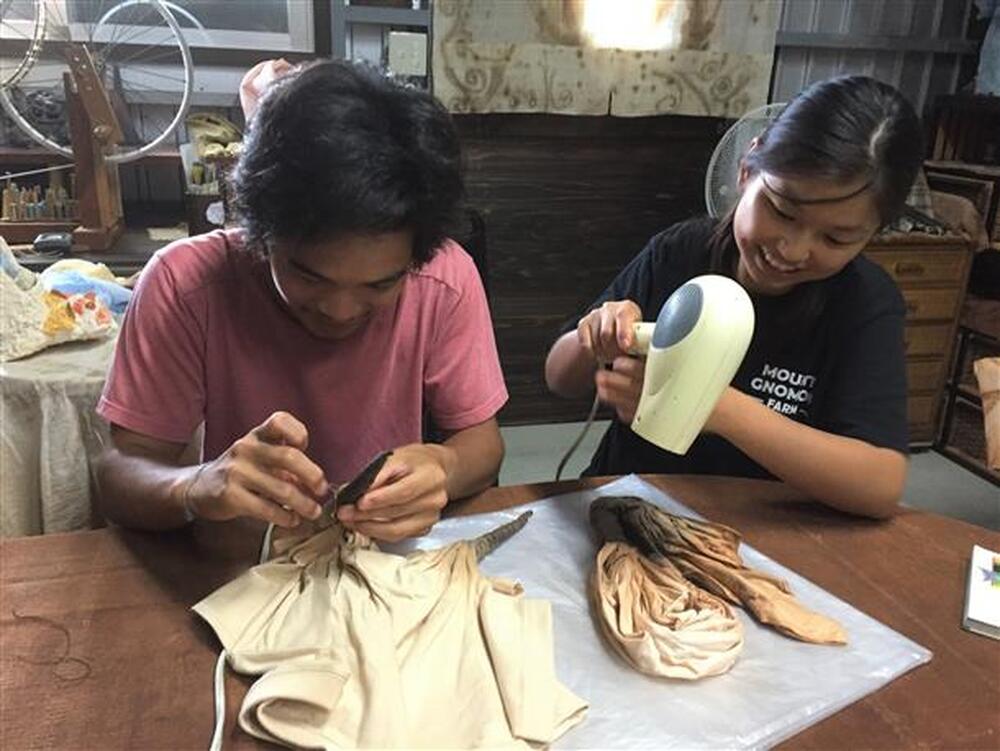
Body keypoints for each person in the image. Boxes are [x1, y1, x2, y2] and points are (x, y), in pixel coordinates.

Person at [95, 59, 507, 542]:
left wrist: (444, 465)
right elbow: (120, 472)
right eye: (309, 276)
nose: (341, 310)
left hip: (382, 553)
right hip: (238, 557)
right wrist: (196, 486)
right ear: (260, 234)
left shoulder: (444, 278)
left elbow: (484, 444)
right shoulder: (184, 284)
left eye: (380, 285)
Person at [545, 76, 924, 519]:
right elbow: (559, 378)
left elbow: (879, 487)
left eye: (836, 239)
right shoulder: (682, 252)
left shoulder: (862, 303)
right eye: (781, 210)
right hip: (625, 503)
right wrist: (593, 339)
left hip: (757, 530)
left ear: (873, 232)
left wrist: (715, 407)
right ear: (747, 170)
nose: (792, 250)